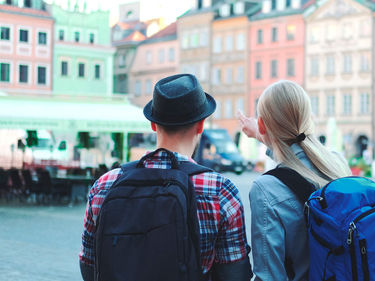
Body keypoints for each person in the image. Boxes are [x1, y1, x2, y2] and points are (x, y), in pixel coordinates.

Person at [79, 74, 252, 281]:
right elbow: (234, 274)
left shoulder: (105, 185)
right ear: (200, 125)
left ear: (153, 125)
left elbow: (89, 264)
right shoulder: (220, 191)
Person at [239, 80, 351, 281]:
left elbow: (269, 276)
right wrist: (262, 133)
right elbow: (296, 157)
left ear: (262, 125)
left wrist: (263, 132)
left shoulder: (266, 189)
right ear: (308, 118)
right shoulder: (337, 162)